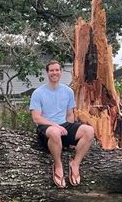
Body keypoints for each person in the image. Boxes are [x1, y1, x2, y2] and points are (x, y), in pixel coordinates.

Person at [29, 60, 94, 188]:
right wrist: (55, 126)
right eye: (52, 70)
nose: (55, 73)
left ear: (61, 72)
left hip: (63, 125)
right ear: (47, 73)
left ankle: (75, 164)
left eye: (57, 70)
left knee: (89, 130)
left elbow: (70, 114)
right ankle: (58, 166)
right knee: (55, 131)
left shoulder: (68, 91)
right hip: (46, 128)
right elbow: (36, 118)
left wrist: (68, 135)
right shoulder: (38, 93)